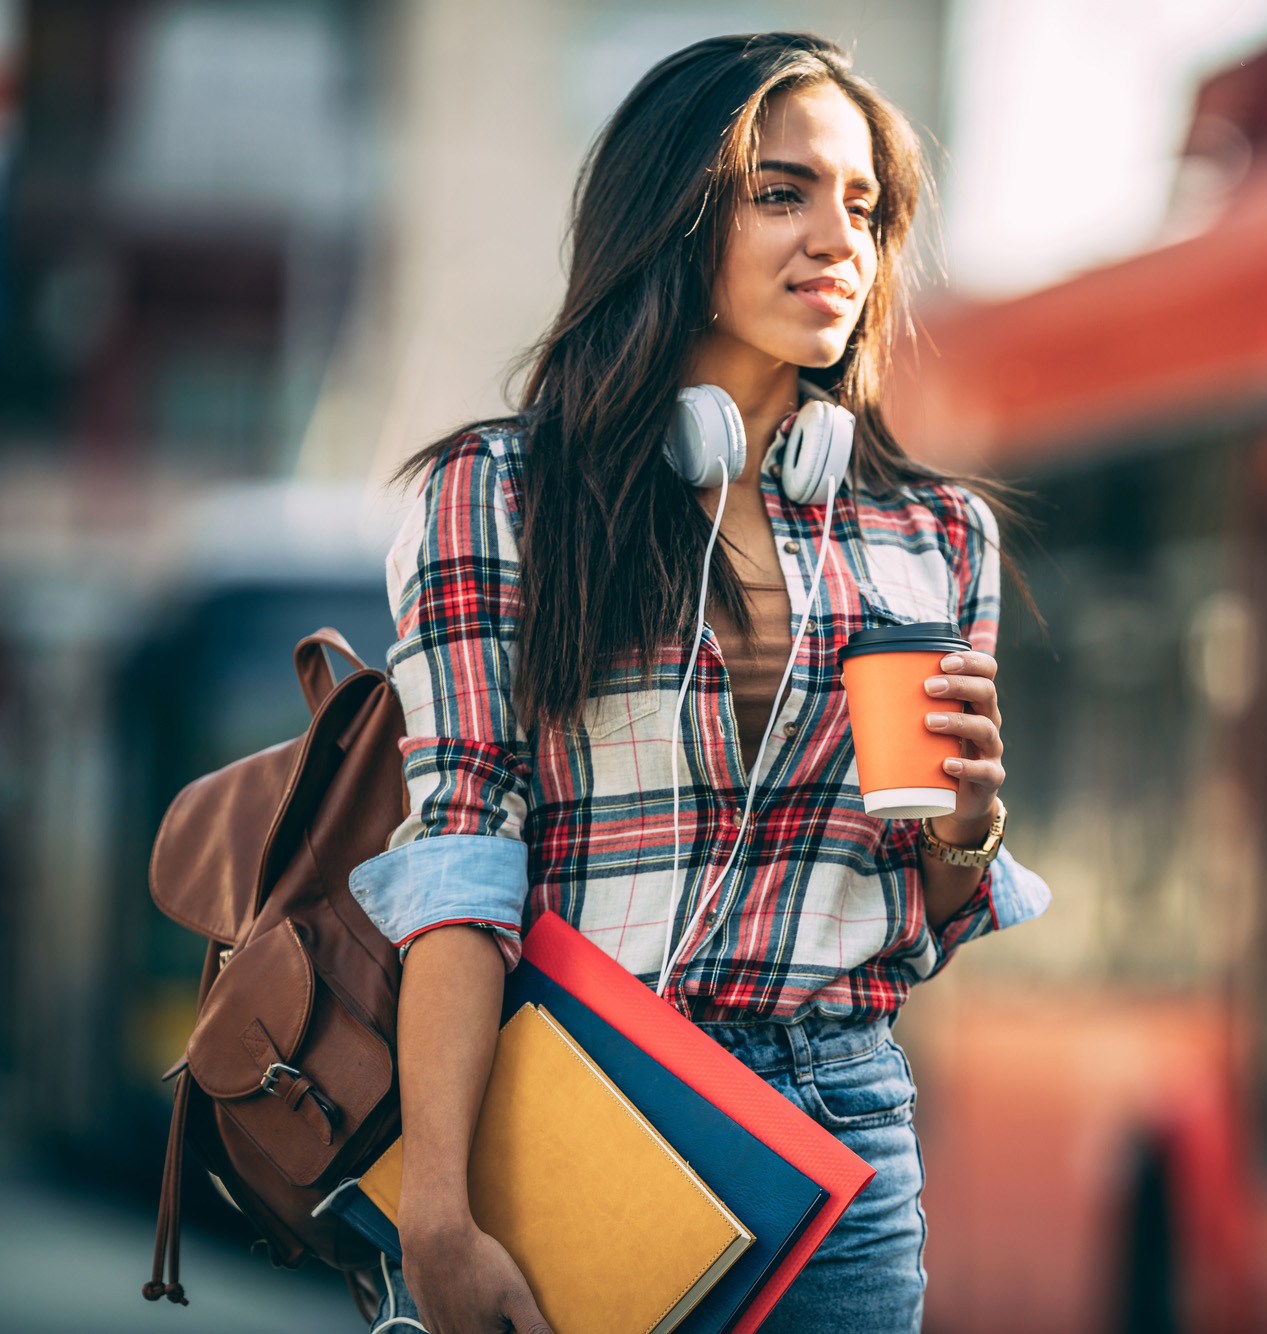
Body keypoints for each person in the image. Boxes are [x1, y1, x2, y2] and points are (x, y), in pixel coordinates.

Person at [348, 31, 1050, 1334]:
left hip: (841, 1130)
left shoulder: (936, 535)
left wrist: (965, 824)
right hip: (573, 1107)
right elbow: (458, 858)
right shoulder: (503, 496)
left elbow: (922, 915)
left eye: (864, 203)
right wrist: (435, 1212)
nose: (837, 235)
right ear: (674, 214)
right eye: (782, 191)